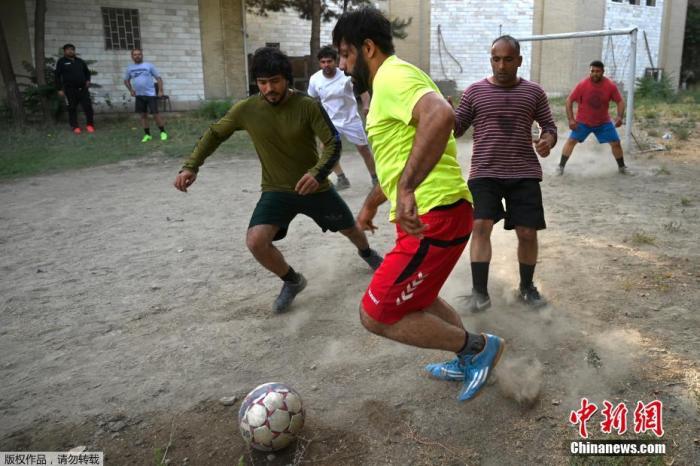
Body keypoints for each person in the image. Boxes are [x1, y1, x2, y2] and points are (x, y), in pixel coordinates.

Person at [332, 8, 504, 402]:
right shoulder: (393, 82)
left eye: (345, 54)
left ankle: (477, 349)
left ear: (368, 48)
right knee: (420, 296)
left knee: (374, 314)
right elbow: (401, 156)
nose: (342, 65)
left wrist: (407, 188)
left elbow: (441, 115)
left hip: (435, 215)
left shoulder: (392, 76)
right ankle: (467, 357)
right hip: (437, 212)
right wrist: (375, 202)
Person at [174, 47, 383, 313]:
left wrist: (317, 173)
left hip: (314, 188)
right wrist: (191, 166)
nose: (269, 88)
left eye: (274, 81)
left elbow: (332, 143)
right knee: (255, 242)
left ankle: (367, 253)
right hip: (276, 190)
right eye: (262, 82)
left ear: (286, 79)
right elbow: (215, 134)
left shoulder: (307, 106)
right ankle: (292, 280)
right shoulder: (246, 109)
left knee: (351, 229)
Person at [454, 35, 557, 311]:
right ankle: (479, 294)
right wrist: (444, 114)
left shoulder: (534, 92)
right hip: (485, 171)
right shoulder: (474, 92)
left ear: (519, 61)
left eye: (508, 59)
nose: (501, 65)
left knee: (527, 232)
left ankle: (526, 288)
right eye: (496, 59)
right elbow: (456, 127)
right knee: (480, 226)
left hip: (523, 171)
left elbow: (549, 125)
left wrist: (548, 139)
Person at [307, 45, 378, 190]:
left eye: (329, 61)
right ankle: (341, 178)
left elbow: (364, 93)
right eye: (323, 62)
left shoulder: (347, 75)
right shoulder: (315, 79)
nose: (326, 65)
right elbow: (312, 100)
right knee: (327, 150)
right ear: (320, 63)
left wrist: (366, 106)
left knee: (363, 149)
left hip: (351, 119)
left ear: (335, 61)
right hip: (330, 122)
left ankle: (375, 178)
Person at [558, 60, 626, 175]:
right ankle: (560, 167)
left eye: (597, 71)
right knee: (571, 141)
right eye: (592, 71)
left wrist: (619, 116)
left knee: (616, 143)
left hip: (603, 122)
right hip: (583, 122)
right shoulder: (582, 85)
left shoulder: (610, 86)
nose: (594, 73)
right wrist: (571, 119)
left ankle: (622, 168)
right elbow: (569, 100)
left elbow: (620, 101)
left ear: (603, 72)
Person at [123, 49, 168, 142]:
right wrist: (131, 90)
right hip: (139, 96)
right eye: (135, 55)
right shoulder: (130, 68)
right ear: (132, 57)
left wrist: (160, 90)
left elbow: (158, 78)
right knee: (143, 115)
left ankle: (163, 132)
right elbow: (126, 80)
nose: (137, 56)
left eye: (139, 54)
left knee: (155, 114)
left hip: (150, 95)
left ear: (142, 55)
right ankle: (147, 135)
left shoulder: (149, 66)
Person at [54, 43, 94, 134]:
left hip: (83, 89)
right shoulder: (61, 62)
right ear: (64, 51)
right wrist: (59, 89)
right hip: (70, 90)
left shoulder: (80, 61)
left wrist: (88, 80)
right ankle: (75, 126)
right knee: (72, 108)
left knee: (88, 107)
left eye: (72, 49)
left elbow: (87, 72)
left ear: (74, 51)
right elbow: (57, 76)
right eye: (68, 49)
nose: (70, 51)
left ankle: (90, 125)